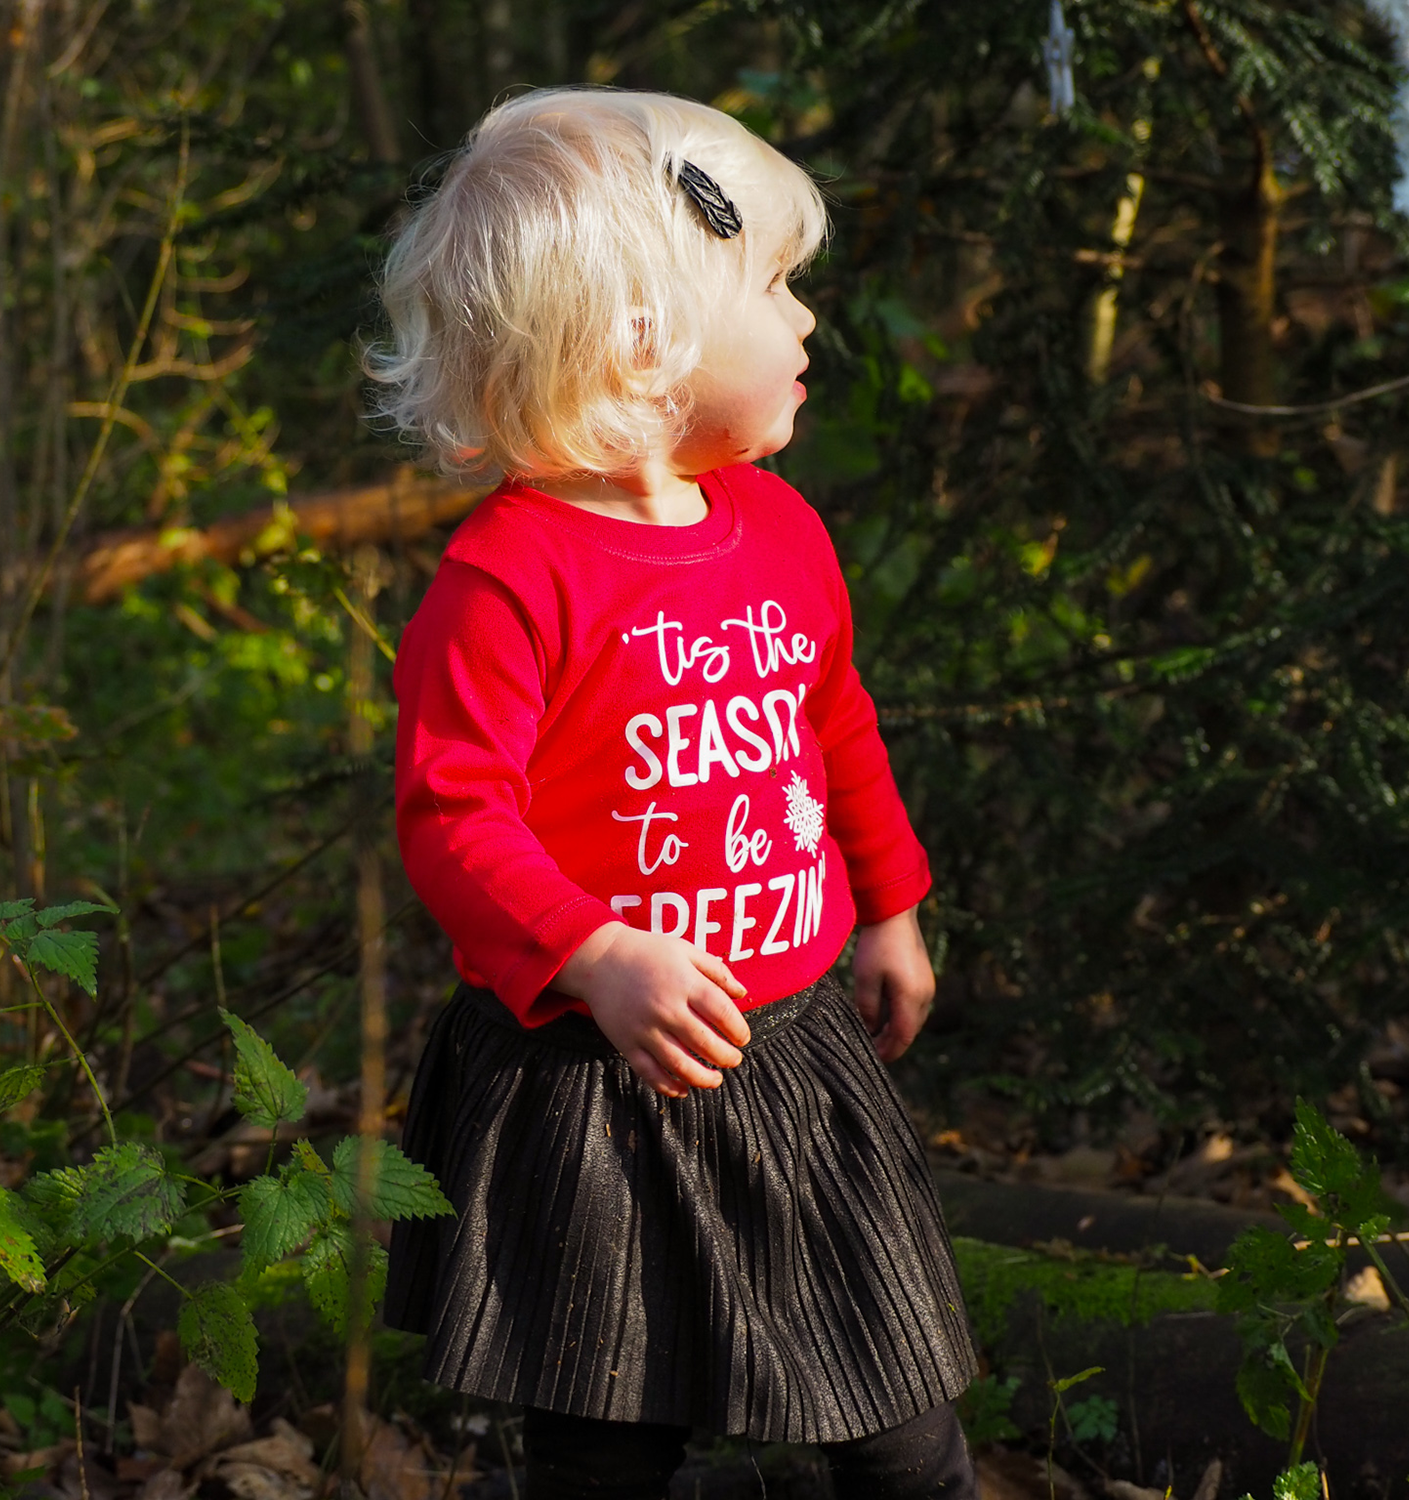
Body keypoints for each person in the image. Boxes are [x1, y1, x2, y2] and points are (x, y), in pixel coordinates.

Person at [367, 86, 978, 1499]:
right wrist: (596, 953)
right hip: (591, 1073)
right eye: (775, 285)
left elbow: (831, 726)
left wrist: (889, 906)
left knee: (899, 1420)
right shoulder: (506, 580)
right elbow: (454, 818)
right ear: (644, 342)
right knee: (602, 1436)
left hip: (795, 1044)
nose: (808, 322)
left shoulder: (779, 532)